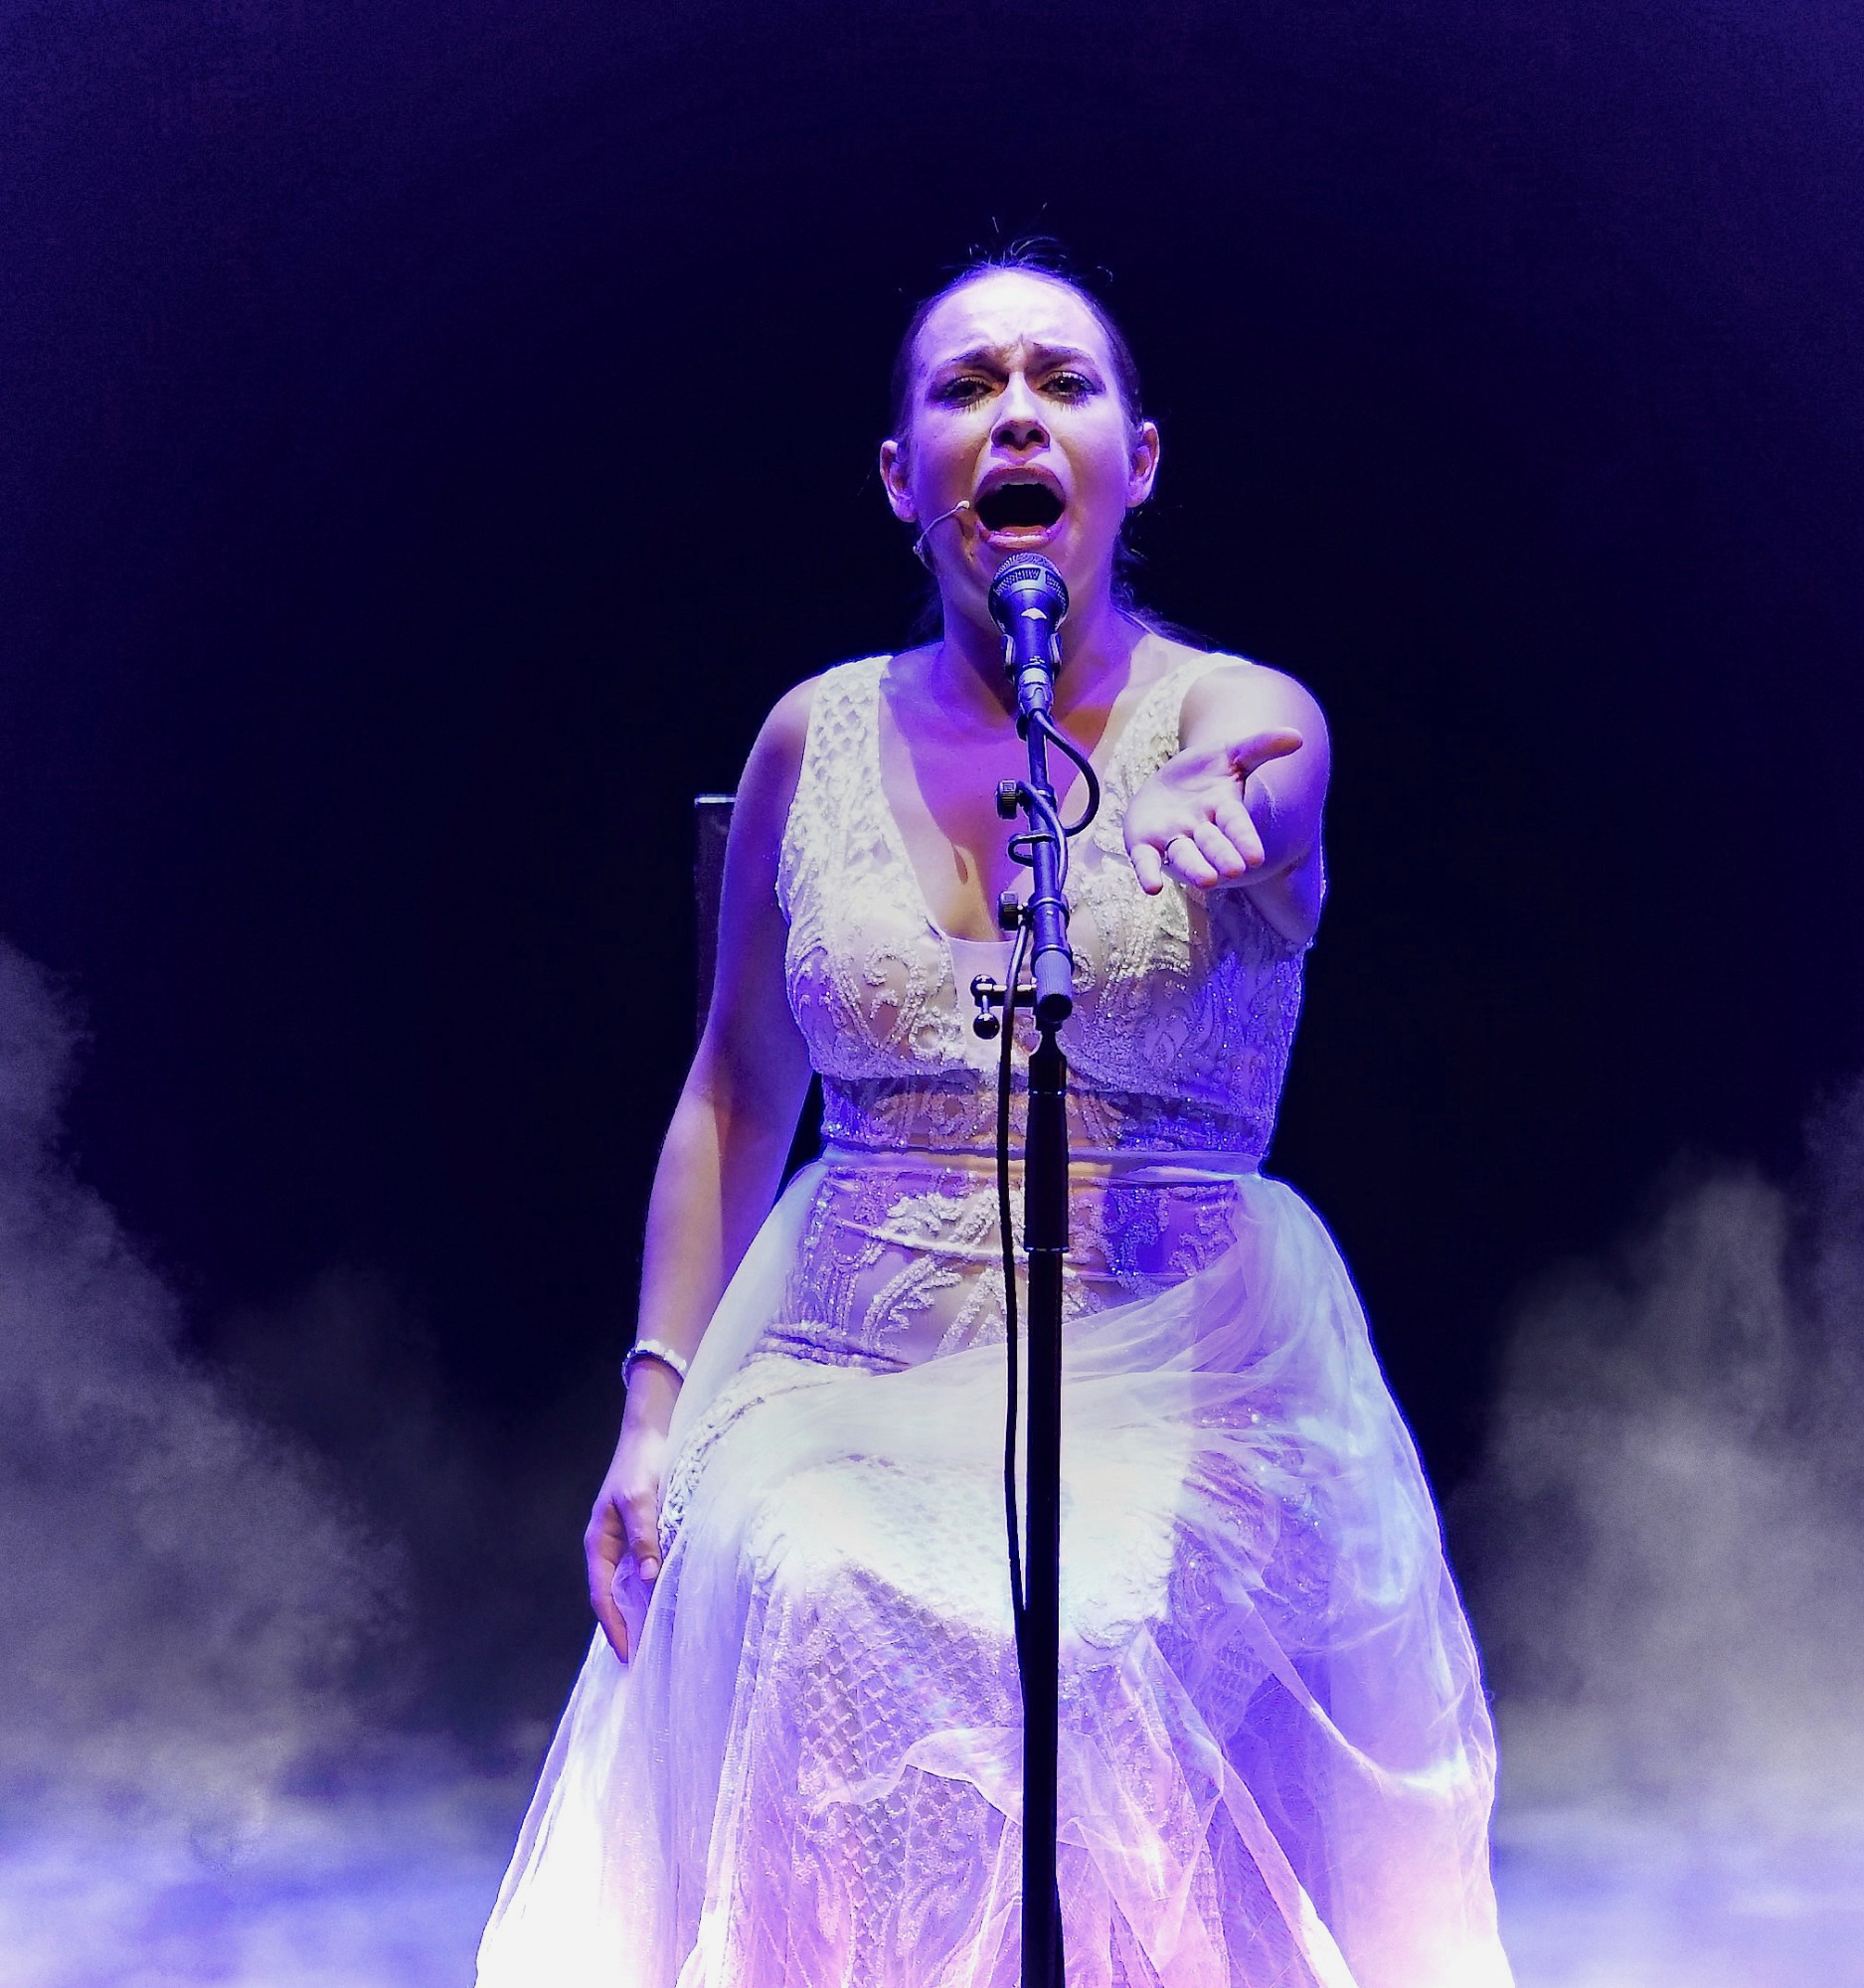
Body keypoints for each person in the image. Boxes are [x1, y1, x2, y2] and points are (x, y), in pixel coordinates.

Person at [475, 252, 1512, 1988]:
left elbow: (1279, 769)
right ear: (905, 478)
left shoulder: (1237, 714)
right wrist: (650, 1413)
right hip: (846, 1361)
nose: (1016, 415)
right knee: (805, 1573)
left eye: (1062, 382)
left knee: (1086, 1624)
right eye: (967, 387)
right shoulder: (813, 735)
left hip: (1172, 1357)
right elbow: (737, 1085)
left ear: (1138, 459)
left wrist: (1234, 799)